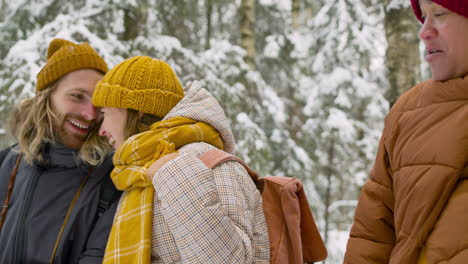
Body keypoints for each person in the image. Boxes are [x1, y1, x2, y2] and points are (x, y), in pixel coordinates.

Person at [91, 56, 270, 263]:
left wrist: (174, 173)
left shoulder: (212, 165)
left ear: (137, 112)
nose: (102, 129)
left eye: (106, 113)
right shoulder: (143, 171)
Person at [344, 0, 468, 263]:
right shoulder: (407, 112)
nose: (424, 30)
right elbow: (373, 237)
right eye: (424, 16)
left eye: (440, 14)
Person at [0, 38, 120, 264]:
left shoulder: (111, 178)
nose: (90, 114)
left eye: (98, 103)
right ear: (45, 96)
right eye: (77, 96)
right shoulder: (7, 164)